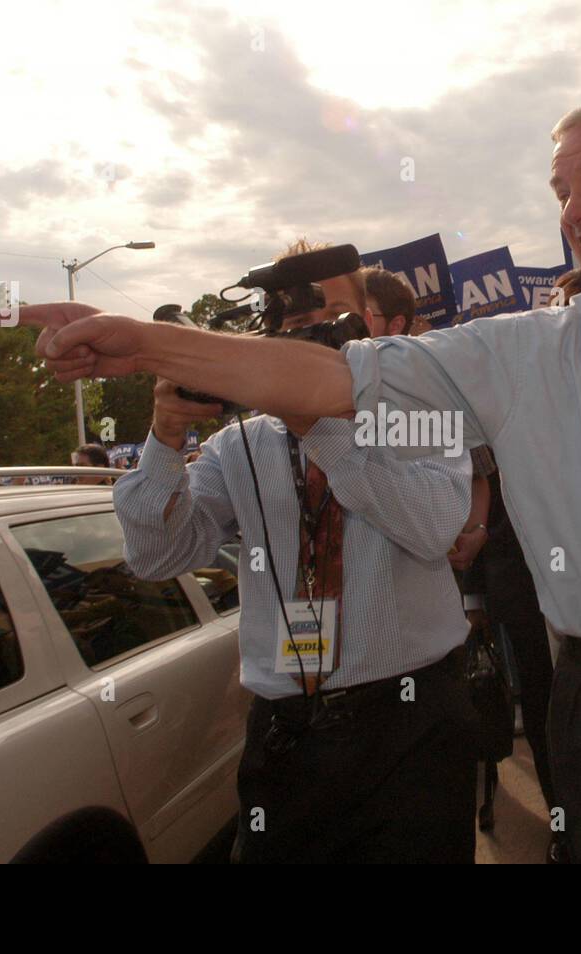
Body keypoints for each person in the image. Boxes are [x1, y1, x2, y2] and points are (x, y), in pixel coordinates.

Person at [0, 101, 581, 863]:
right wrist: (146, 343)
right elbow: (335, 380)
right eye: (562, 191)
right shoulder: (520, 354)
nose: (574, 208)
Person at [111, 241, 478, 864]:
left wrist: (320, 426)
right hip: (289, 734)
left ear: (372, 325)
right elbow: (155, 559)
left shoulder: (426, 417)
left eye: (327, 315)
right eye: (287, 324)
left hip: (412, 725)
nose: (307, 334)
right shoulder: (239, 446)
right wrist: (166, 438)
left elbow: (432, 529)